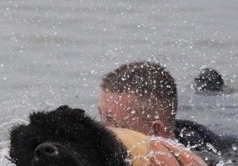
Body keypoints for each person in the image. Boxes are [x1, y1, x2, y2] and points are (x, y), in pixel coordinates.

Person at [98, 61, 231, 154]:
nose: (102, 133)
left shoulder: (211, 159)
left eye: (118, 127)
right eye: (102, 120)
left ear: (156, 130)